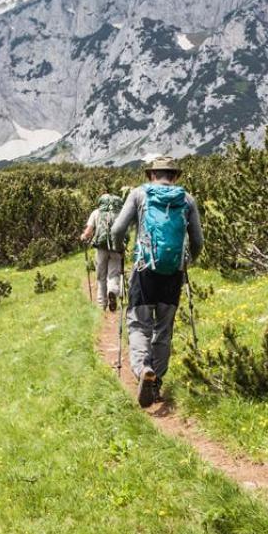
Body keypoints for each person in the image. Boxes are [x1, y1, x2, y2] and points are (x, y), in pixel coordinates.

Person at [111, 155, 202, 407]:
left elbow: (117, 229)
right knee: (164, 328)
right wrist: (187, 263)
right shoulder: (187, 200)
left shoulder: (139, 195)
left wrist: (120, 250)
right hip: (173, 273)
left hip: (144, 270)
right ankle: (157, 380)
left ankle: (143, 370)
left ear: (152, 174)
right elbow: (198, 241)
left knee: (139, 324)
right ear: (174, 176)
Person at [79, 193, 125, 310]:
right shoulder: (119, 213)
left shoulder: (96, 213)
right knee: (114, 274)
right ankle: (113, 291)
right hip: (116, 249)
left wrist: (83, 236)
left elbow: (89, 231)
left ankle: (101, 305)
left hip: (101, 249)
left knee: (101, 277)